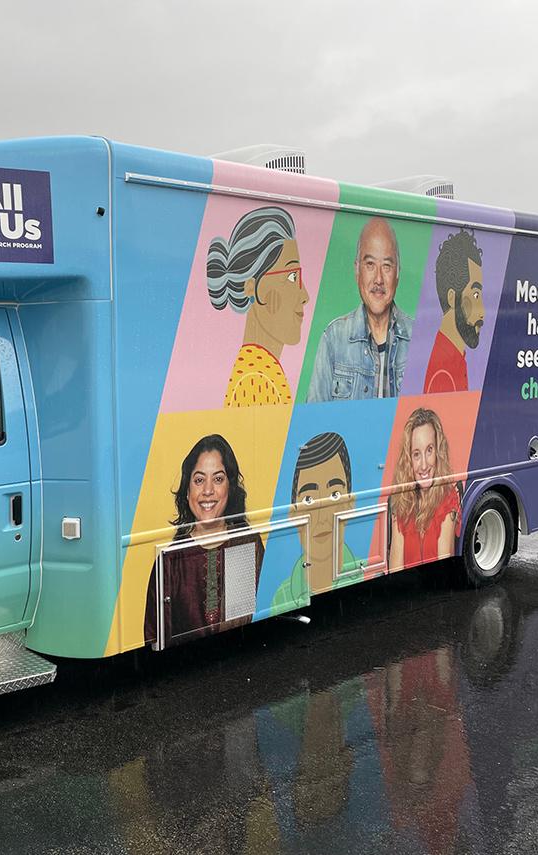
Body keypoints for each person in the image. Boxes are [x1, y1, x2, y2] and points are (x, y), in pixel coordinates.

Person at [144, 434, 264, 645]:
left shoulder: (247, 544)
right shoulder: (170, 560)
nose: (208, 491)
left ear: (230, 487)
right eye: (199, 480)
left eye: (218, 479)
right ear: (187, 489)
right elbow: (154, 637)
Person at [207, 207, 308, 407]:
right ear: (252, 287)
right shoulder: (257, 380)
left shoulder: (263, 370)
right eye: (291, 276)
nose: (305, 295)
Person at [307, 217, 413, 401]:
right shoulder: (334, 339)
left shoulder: (419, 339)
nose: (378, 279)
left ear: (398, 273)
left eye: (387, 266)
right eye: (370, 265)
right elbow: (315, 422)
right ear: (357, 270)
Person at [272, 433, 359, 609]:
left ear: (350, 504)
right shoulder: (279, 597)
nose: (322, 517)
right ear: (292, 514)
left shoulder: (364, 572)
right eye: (308, 499)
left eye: (335, 495)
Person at [388, 408, 460, 570]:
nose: (424, 465)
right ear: (408, 460)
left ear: (438, 452)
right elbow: (395, 568)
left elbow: (443, 568)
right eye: (416, 454)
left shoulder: (448, 500)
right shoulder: (401, 503)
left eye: (429, 450)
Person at [424, 229, 485, 393]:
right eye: (475, 294)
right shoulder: (443, 374)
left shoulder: (455, 359)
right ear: (452, 298)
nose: (483, 313)